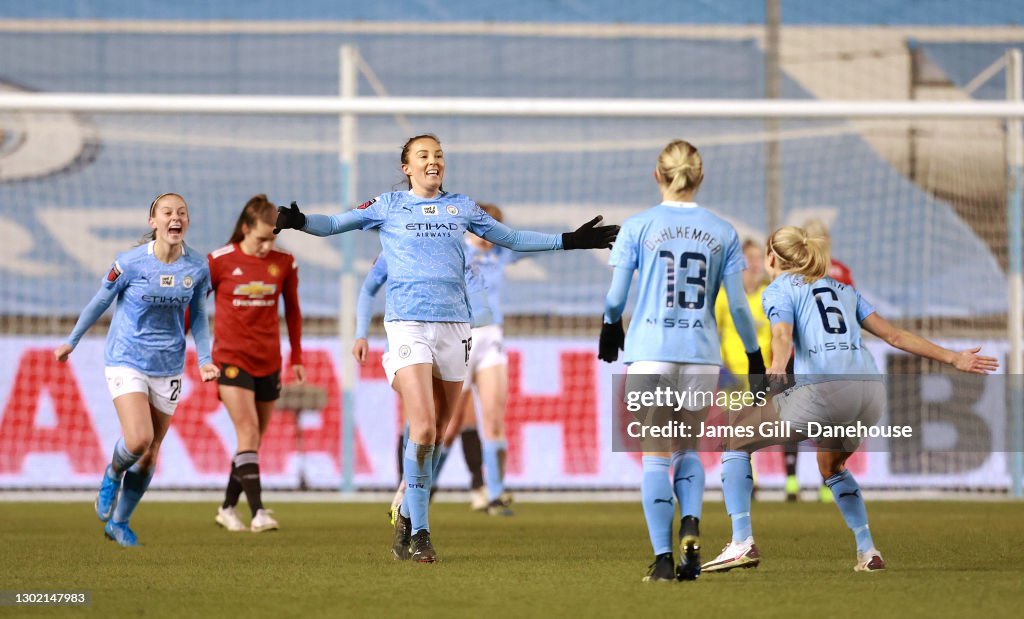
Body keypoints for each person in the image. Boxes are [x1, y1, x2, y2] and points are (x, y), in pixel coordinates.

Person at [275, 133, 617, 563]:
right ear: (407, 167)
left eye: (438, 154)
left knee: (435, 434)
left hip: (456, 329)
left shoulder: (463, 207)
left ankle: (405, 508)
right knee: (421, 429)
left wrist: (569, 240)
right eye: (423, 155)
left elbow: (511, 238)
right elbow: (336, 224)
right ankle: (421, 533)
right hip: (407, 327)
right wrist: (300, 220)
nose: (433, 160)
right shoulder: (388, 205)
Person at [701, 225, 998, 573]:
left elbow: (781, 333)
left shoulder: (779, 288)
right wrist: (953, 357)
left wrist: (778, 364)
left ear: (772, 258)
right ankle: (867, 551)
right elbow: (896, 336)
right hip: (869, 394)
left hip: (826, 391)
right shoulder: (844, 290)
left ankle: (741, 543)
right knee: (832, 467)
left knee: (735, 438)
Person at [599, 139, 766, 582]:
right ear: (700, 176)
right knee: (688, 448)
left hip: (651, 352)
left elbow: (615, 299)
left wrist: (610, 325)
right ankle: (691, 524)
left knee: (655, 458)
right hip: (700, 354)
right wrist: (753, 357)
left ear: (658, 175)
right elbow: (739, 306)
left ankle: (663, 560)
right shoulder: (722, 231)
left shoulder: (638, 227)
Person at [53, 193, 220, 547]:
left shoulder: (197, 267)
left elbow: (200, 317)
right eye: (167, 212)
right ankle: (113, 472)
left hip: (169, 365)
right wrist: (72, 340)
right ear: (153, 222)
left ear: (187, 222)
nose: (176, 218)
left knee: (149, 455)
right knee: (138, 439)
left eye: (182, 213)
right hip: (126, 358)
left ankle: (119, 523)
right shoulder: (129, 263)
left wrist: (204, 359)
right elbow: (100, 301)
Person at [351, 254, 490, 520]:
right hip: (403, 351)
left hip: (447, 348)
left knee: (434, 428)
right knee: (422, 420)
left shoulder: (457, 255)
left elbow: (484, 310)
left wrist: (455, 322)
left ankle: (409, 490)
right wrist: (361, 333)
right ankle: (406, 488)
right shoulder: (394, 248)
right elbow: (369, 288)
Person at [208, 194, 304, 533]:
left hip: (269, 361)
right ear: (245, 228)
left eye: (273, 238)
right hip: (231, 360)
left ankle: (226, 508)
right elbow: (191, 309)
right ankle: (258, 511)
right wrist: (202, 355)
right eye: (261, 238)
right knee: (247, 431)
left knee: (252, 441)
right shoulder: (218, 261)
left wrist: (297, 356)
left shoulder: (285, 262)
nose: (267, 245)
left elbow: (292, 312)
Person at [783, 218, 855, 503]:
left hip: (798, 356)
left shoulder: (793, 276)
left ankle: (791, 481)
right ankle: (828, 482)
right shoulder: (842, 272)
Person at [714, 239, 772, 501]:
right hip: (734, 374)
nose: (756, 265)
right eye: (750, 259)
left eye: (759, 259)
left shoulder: (770, 296)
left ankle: (744, 480)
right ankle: (747, 482)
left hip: (763, 374)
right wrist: (720, 366)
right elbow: (713, 332)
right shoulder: (726, 296)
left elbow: (782, 334)